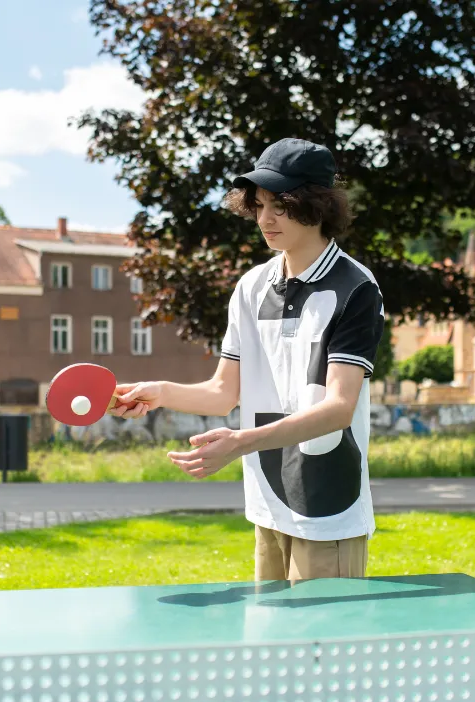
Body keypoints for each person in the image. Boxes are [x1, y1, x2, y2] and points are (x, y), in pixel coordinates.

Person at [110, 138, 385, 581]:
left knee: (321, 646)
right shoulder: (252, 286)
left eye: (279, 204)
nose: (265, 218)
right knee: (271, 643)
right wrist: (157, 392)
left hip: (328, 506)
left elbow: (338, 409)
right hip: (266, 503)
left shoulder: (357, 288)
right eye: (257, 205)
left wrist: (240, 442)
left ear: (316, 204)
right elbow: (223, 393)